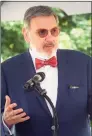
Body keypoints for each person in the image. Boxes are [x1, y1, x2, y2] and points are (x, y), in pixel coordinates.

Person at [1, 5, 92, 136]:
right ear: (26, 34)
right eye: (42, 32)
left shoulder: (84, 62)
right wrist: (5, 121)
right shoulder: (6, 69)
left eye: (54, 31)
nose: (50, 38)